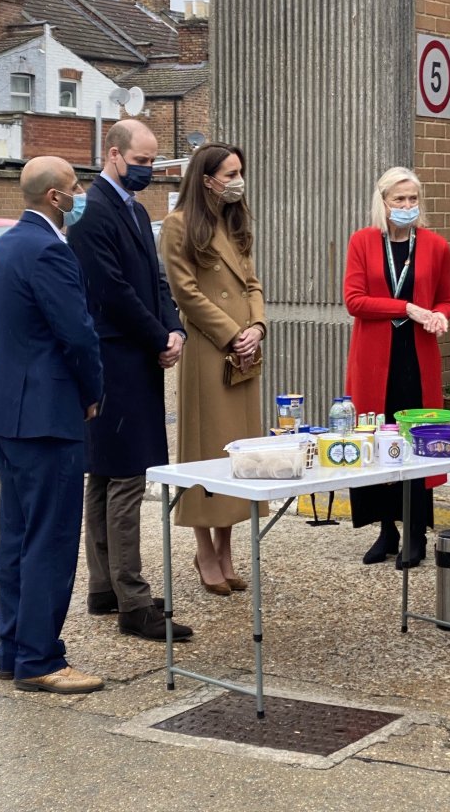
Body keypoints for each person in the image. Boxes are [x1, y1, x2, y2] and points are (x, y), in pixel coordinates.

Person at [68, 119, 193, 642]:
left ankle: (105, 587)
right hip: (116, 358)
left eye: (153, 160)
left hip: (138, 352)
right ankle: (133, 601)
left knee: (106, 475)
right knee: (124, 479)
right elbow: (112, 290)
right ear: (114, 156)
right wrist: (154, 337)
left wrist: (173, 329)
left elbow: (156, 280)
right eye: (141, 161)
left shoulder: (136, 210)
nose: (148, 169)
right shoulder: (92, 213)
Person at [0, 156, 105, 694]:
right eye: (76, 187)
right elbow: (77, 334)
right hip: (48, 415)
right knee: (51, 540)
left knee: (16, 535)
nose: (81, 195)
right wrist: (93, 392)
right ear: (55, 196)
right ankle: (40, 659)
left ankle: (12, 648)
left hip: (7, 412)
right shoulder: (50, 250)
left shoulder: (9, 244)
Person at [159, 143, 267, 595]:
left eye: (240, 171)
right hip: (210, 350)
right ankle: (205, 548)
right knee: (206, 450)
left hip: (245, 350)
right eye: (230, 173)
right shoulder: (179, 224)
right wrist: (231, 332)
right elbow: (185, 293)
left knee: (238, 453)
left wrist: (257, 327)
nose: (237, 180)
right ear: (206, 178)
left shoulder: (235, 221)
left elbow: (253, 283)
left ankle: (226, 547)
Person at [343, 167, 450, 568]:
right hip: (374, 359)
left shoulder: (436, 245)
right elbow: (354, 300)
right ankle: (385, 529)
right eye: (399, 200)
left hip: (417, 357)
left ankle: (415, 531)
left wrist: (440, 316)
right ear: (383, 202)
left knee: (415, 440)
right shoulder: (364, 242)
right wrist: (406, 307)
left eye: (412, 199)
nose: (407, 206)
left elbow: (445, 299)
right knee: (376, 439)